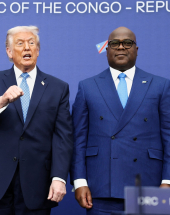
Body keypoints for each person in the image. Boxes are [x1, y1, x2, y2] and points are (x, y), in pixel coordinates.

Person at [0, 26, 73, 215]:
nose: (27, 48)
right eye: (20, 43)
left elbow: (63, 137)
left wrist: (59, 177)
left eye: (32, 43)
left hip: (37, 183)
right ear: (9, 51)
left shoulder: (58, 87)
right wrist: (2, 100)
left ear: (38, 50)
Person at [70, 26, 170, 214]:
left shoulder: (161, 86)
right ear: (107, 50)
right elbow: (78, 139)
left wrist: (168, 181)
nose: (121, 47)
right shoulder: (87, 86)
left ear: (136, 50)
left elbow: (169, 136)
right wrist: (79, 181)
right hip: (101, 186)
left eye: (128, 43)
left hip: (149, 184)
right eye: (115, 43)